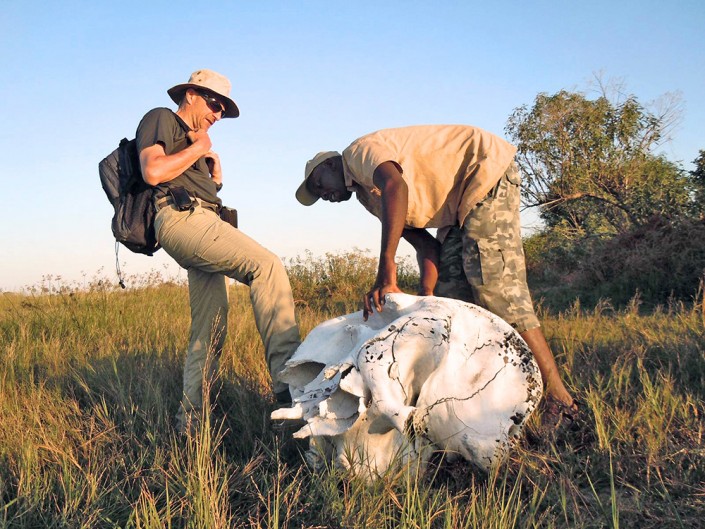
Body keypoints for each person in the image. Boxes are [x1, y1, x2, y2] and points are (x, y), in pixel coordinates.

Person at [295, 125, 578, 431]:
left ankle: (558, 398)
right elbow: (428, 247)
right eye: (318, 195)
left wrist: (386, 269)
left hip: (482, 173)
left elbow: (396, 187)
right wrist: (424, 299)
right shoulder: (369, 197)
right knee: (452, 302)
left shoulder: (358, 153)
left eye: (318, 184)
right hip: (459, 206)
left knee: (493, 287)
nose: (323, 195)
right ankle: (490, 400)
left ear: (329, 164)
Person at [136, 69, 301, 434]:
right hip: (182, 220)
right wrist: (200, 147)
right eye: (215, 103)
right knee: (267, 266)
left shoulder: (192, 140)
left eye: (224, 110)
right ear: (191, 94)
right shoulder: (161, 118)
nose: (219, 113)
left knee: (210, 325)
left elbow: (183, 179)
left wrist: (215, 179)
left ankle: (190, 423)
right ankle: (293, 390)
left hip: (199, 217)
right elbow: (152, 171)